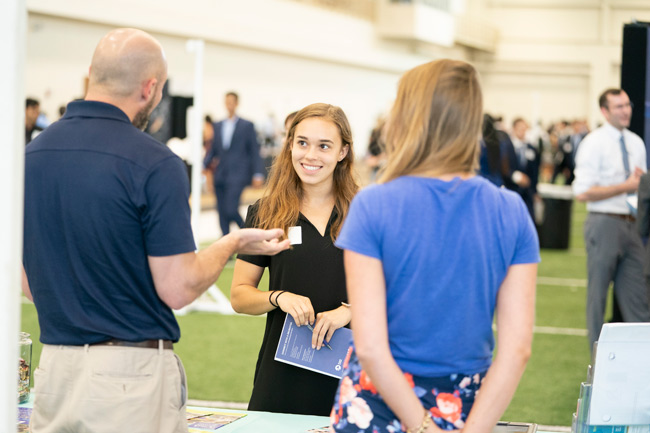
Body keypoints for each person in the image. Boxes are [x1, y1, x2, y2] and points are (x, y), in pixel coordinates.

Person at [22, 28, 289, 433]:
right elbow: (177, 287)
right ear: (150, 88)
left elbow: (26, 280)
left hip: (54, 366)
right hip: (129, 376)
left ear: (92, 73)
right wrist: (231, 243)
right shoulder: (153, 161)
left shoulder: (29, 156)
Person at [329, 59, 539, 433]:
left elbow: (372, 348)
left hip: (378, 403)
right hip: (467, 404)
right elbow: (516, 350)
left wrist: (422, 426)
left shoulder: (374, 205)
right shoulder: (510, 211)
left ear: (408, 116)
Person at [230, 103, 358, 416]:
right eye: (302, 143)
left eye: (324, 146)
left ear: (342, 152)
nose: (310, 156)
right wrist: (278, 297)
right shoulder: (266, 213)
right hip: (283, 374)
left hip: (352, 373)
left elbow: (394, 291)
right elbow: (239, 295)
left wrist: (349, 312)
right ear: (290, 146)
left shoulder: (366, 212)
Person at [573, 88, 650, 349]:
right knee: (598, 297)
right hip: (603, 222)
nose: (625, 110)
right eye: (618, 106)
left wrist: (639, 185)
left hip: (632, 225)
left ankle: (640, 362)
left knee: (639, 298)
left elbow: (638, 186)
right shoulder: (593, 143)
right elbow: (582, 192)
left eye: (627, 104)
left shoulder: (636, 143)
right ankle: (598, 363)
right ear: (605, 111)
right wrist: (626, 186)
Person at [204, 91, 265, 236]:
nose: (229, 105)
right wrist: (203, 165)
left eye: (232, 102)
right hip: (220, 174)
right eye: (227, 102)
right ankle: (226, 246)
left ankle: (249, 234)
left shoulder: (247, 125)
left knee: (230, 209)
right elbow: (214, 150)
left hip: (238, 174)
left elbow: (254, 151)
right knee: (221, 212)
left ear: (237, 103)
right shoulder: (217, 125)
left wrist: (258, 173)